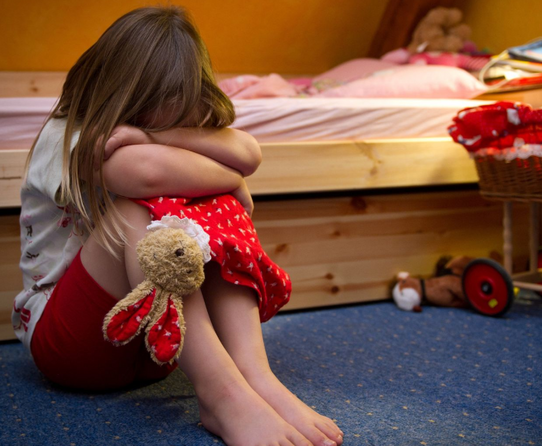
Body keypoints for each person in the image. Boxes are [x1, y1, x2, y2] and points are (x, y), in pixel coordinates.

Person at [12, 6, 344, 446]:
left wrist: (158, 136)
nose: (169, 124)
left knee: (208, 201)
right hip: (70, 346)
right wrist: (231, 179)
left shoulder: (157, 128)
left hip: (160, 347)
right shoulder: (69, 133)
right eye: (152, 117)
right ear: (119, 93)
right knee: (140, 210)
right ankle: (223, 396)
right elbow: (146, 175)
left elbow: (248, 152)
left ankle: (254, 376)